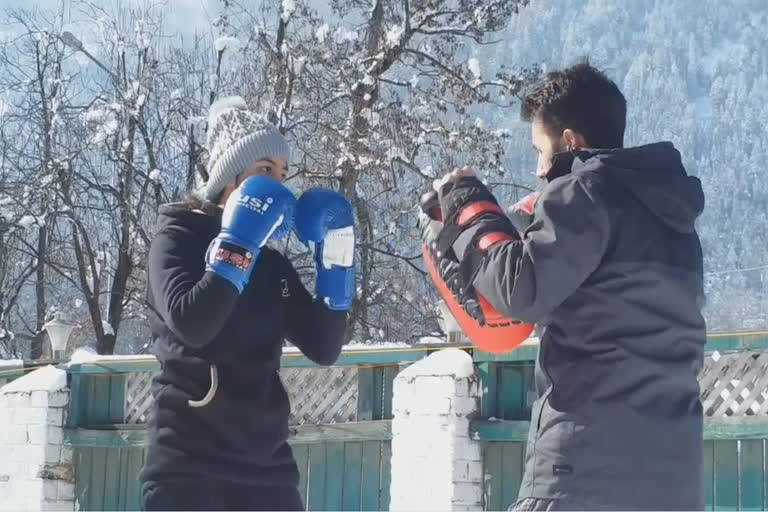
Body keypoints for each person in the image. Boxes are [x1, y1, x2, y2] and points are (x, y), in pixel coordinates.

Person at [426, 62, 706, 510]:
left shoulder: (583, 191)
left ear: (571, 142)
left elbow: (523, 289)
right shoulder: (675, 222)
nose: (539, 170)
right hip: (673, 479)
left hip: (583, 472)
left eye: (540, 150)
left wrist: (469, 211)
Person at [139, 96, 355, 511]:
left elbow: (323, 346)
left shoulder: (271, 267)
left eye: (282, 174)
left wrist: (338, 258)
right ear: (228, 180)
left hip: (266, 470)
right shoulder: (176, 239)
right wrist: (238, 245)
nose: (278, 184)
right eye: (263, 171)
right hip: (187, 468)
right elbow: (193, 321)